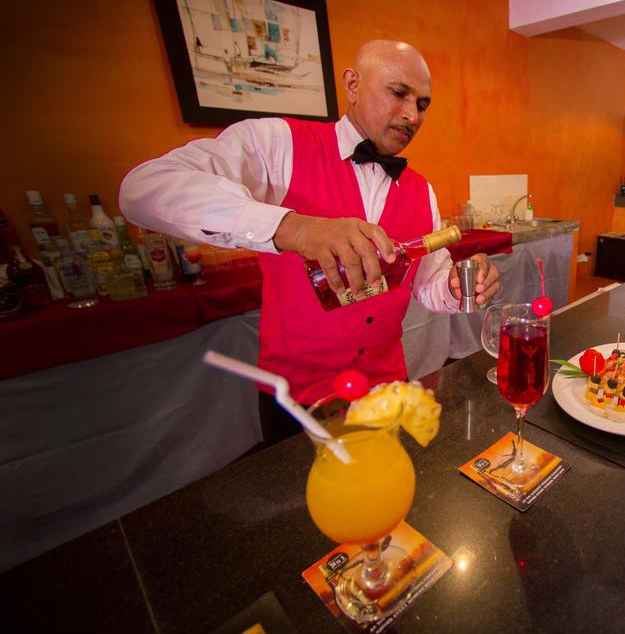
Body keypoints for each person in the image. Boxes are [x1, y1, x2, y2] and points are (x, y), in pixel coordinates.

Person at [120, 40, 501, 443]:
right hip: (297, 399)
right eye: (398, 93)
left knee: (391, 481)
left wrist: (455, 287)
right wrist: (293, 228)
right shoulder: (277, 143)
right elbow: (143, 188)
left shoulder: (422, 190)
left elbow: (428, 283)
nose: (412, 115)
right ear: (352, 85)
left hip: (387, 390)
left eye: (422, 104)